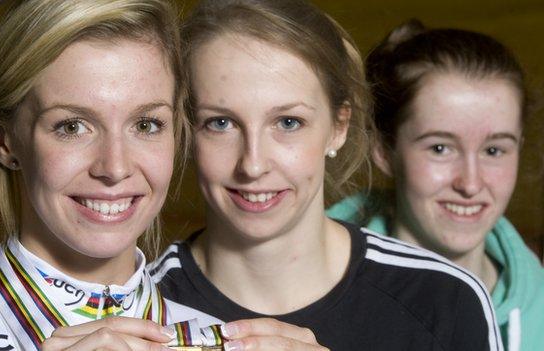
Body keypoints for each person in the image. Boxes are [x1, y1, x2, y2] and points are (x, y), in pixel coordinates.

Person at [149, 1, 502, 350]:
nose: (253, 165)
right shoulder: (142, 309)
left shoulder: (445, 299)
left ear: (339, 125)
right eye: (220, 123)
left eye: (289, 122)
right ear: (186, 131)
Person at [0, 1, 223, 350]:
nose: (115, 168)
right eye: (72, 126)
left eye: (146, 124)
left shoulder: (222, 337)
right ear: (4, 139)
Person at [326, 19, 544, 351]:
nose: (470, 183)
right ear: (384, 151)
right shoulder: (312, 291)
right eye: (440, 148)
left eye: (494, 150)